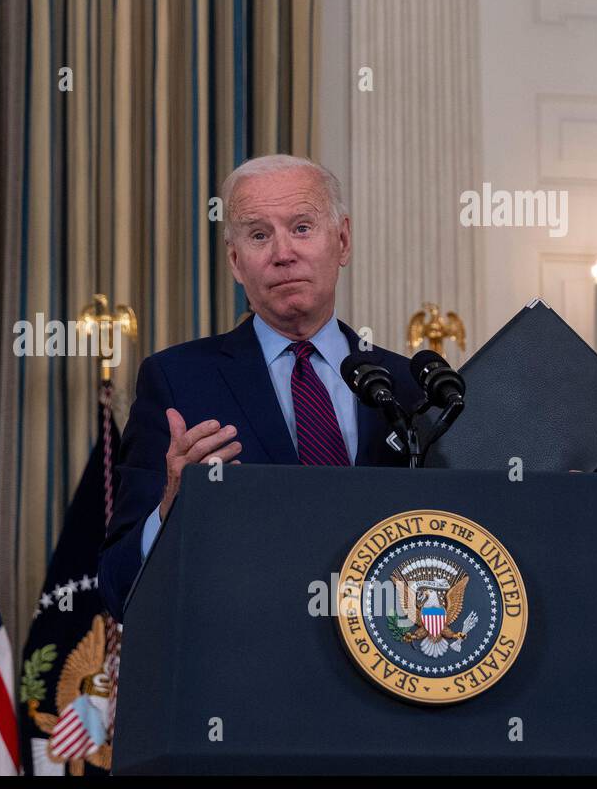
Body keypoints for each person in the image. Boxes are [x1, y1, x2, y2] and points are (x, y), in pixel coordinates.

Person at [98, 154, 423, 620]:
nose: (283, 253)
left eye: (302, 228)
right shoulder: (177, 381)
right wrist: (171, 510)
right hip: (246, 673)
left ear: (343, 241)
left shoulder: (407, 388)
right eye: (258, 235)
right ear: (235, 261)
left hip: (389, 669)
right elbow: (116, 586)